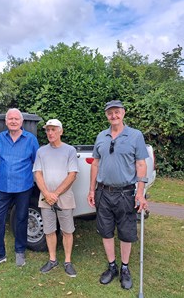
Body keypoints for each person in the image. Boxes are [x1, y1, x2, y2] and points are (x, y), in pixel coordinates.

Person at [87, 100, 149, 290]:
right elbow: (95, 164)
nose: (113, 116)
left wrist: (140, 193)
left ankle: (124, 268)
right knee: (106, 231)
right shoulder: (101, 136)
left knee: (126, 232)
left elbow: (141, 164)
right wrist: (91, 189)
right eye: (110, 113)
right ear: (106, 115)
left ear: (123, 113)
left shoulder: (135, 136)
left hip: (126, 193)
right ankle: (112, 266)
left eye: (117, 112)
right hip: (103, 192)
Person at [0, 108, 39, 270]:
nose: (13, 121)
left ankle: (20, 251)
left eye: (16, 119)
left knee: (21, 218)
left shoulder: (31, 139)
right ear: (6, 122)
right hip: (3, 186)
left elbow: (36, 161)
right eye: (10, 119)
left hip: (24, 186)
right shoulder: (0, 138)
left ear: (21, 122)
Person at [33, 119, 79, 277]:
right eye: (48, 130)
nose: (50, 133)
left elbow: (72, 175)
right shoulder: (41, 151)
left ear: (61, 131)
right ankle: (52, 260)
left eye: (53, 129)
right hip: (46, 198)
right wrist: (47, 193)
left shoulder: (70, 150)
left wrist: (55, 194)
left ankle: (67, 261)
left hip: (64, 198)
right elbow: (37, 173)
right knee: (49, 230)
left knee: (67, 231)